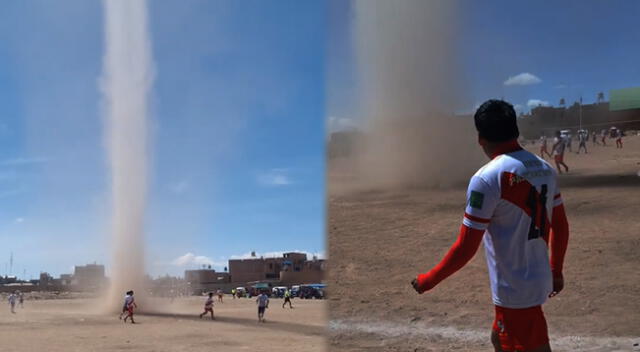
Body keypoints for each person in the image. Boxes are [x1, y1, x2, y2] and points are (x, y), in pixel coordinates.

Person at [412, 100, 570, 352]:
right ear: (516, 130)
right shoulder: (545, 169)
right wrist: (556, 270)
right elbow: (560, 227)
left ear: (480, 138)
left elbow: (466, 247)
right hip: (538, 279)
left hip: (515, 291)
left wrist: (428, 280)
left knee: (529, 344)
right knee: (499, 338)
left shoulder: (487, 178)